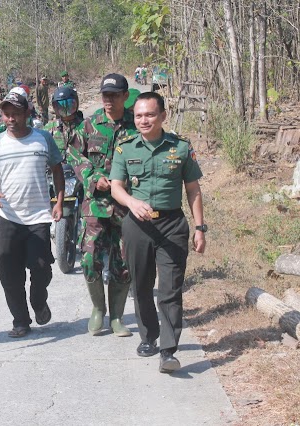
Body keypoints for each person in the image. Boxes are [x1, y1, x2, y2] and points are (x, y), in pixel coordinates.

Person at [109, 91, 206, 373]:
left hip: (172, 225)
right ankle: (148, 336)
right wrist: (131, 202)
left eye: (150, 114)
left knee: (170, 289)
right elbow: (116, 186)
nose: (144, 120)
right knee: (140, 285)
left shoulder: (181, 148)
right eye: (139, 115)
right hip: (137, 225)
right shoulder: (125, 148)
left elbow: (193, 189)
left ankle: (168, 350)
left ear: (163, 116)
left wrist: (200, 228)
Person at [0, 91, 65, 338]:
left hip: (38, 216)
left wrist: (58, 201)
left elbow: (57, 170)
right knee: (9, 272)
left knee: (41, 269)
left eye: (16, 113)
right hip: (8, 216)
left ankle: (38, 300)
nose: (11, 118)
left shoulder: (43, 139)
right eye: (7, 114)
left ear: (27, 113)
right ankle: (20, 320)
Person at [65, 73, 138, 337]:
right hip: (94, 204)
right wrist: (93, 177)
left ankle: (117, 317)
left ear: (125, 96)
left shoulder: (135, 125)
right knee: (89, 257)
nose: (109, 100)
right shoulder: (89, 125)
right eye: (105, 95)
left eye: (115, 95)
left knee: (123, 260)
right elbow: (73, 154)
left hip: (126, 206)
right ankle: (98, 309)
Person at [44, 87, 83, 152]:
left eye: (69, 104)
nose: (65, 109)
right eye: (61, 106)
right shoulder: (50, 128)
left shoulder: (86, 126)